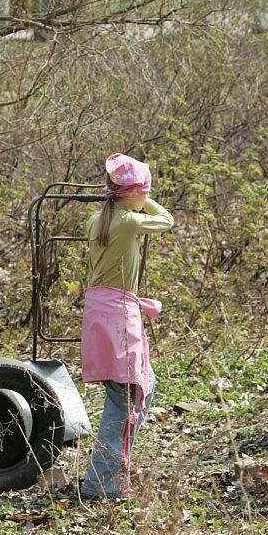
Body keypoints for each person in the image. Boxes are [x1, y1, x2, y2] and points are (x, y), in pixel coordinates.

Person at [78, 153, 174, 500]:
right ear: (132, 193)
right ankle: (101, 483)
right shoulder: (131, 221)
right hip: (117, 314)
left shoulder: (96, 220)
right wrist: (146, 201)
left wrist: (133, 195)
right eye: (144, 189)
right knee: (127, 399)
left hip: (101, 313)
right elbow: (167, 220)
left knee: (138, 388)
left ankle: (114, 467)